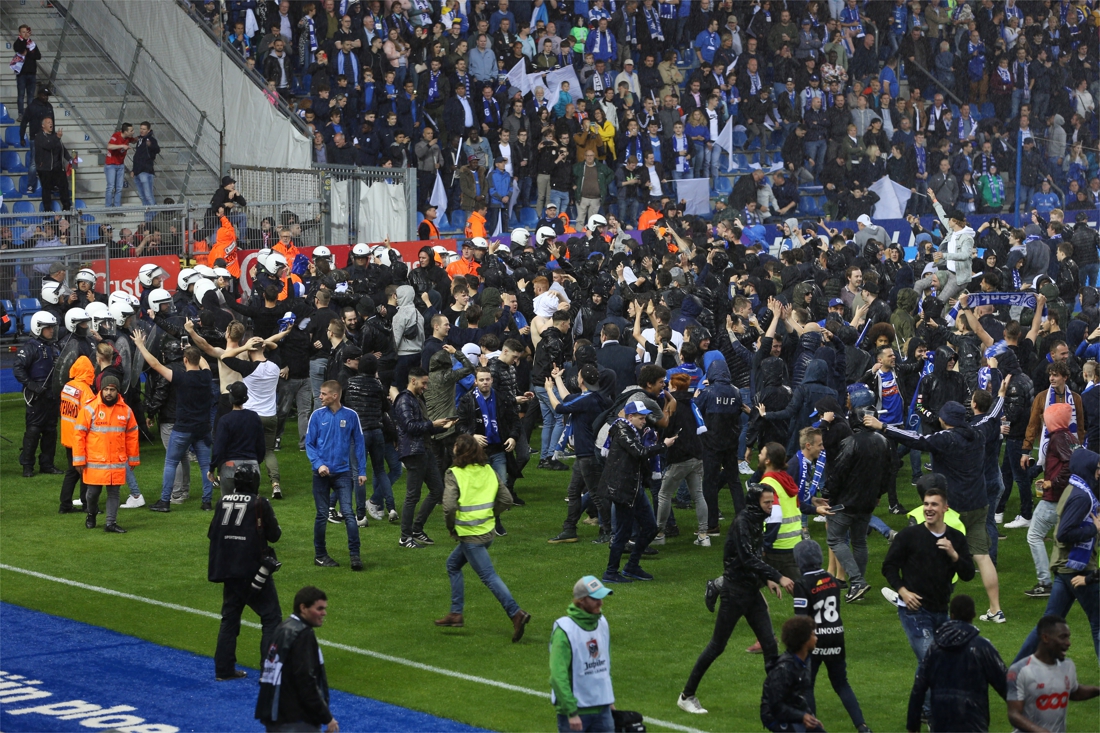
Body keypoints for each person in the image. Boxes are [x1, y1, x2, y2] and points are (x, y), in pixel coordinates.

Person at [678, 482, 795, 715]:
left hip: (751, 591)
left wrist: (767, 579)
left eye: (771, 502)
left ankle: (776, 698)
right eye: (767, 502)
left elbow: (754, 556)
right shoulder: (743, 522)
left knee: (770, 644)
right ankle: (686, 695)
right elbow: (747, 558)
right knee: (717, 646)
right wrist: (777, 576)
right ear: (755, 503)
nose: (771, 507)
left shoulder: (755, 520)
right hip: (734, 592)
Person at [881, 485, 975, 714]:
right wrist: (902, 591)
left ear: (945, 508)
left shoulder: (956, 538)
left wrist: (954, 554)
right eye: (926, 504)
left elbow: (968, 574)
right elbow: (889, 567)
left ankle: (924, 706)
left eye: (934, 504)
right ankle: (929, 710)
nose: (928, 508)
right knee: (931, 657)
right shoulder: (909, 536)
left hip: (941, 610)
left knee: (934, 660)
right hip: (914, 610)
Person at [434, 434, 530, 641]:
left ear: (459, 451)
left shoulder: (454, 473)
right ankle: (456, 613)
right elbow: (506, 499)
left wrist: (452, 528)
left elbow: (449, 507)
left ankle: (516, 613)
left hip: (470, 535)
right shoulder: (489, 470)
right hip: (487, 532)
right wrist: (491, 514)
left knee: (489, 577)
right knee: (452, 564)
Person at [1014, 449, 1100, 663]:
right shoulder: (1082, 497)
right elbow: (1064, 533)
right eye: (1097, 468)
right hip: (1078, 567)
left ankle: (1015, 668)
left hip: (1064, 568)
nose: (1099, 472)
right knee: (1098, 623)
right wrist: (1094, 529)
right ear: (1087, 468)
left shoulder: (1075, 489)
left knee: (1048, 624)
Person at [208, 462, 282, 681]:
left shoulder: (222, 501)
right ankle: (268, 672)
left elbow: (213, 534)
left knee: (229, 619)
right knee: (271, 618)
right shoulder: (260, 503)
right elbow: (275, 535)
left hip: (228, 570)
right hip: (253, 570)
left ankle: (224, 670)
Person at [135, 330, 216, 512]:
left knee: (171, 462)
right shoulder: (206, 376)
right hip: (202, 428)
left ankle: (165, 501)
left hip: (183, 427)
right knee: (205, 465)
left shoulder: (180, 377)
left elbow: (155, 364)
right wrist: (190, 348)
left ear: (184, 360)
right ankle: (207, 501)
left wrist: (140, 345)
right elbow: (203, 362)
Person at [791, 540, 869, 732]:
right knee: (841, 683)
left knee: (807, 686)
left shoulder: (802, 584)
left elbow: (801, 619)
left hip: (813, 640)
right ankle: (862, 726)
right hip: (836, 635)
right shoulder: (832, 579)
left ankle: (812, 728)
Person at [826, 395, 895, 603]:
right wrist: (877, 495)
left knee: (835, 538)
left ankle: (857, 582)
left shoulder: (850, 442)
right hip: (868, 501)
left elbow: (838, 473)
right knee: (859, 541)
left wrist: (829, 495)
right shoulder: (884, 442)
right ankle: (858, 584)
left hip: (847, 501)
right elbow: (890, 472)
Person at [906, 594, 1008, 733]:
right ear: (973, 615)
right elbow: (1005, 684)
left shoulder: (935, 648)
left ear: (951, 615)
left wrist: (913, 725)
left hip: (941, 724)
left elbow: (919, 687)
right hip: (974, 724)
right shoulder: (982, 647)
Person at [602, 400, 676, 584]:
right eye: (641, 418)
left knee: (650, 527)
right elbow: (640, 452)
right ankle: (611, 572)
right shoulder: (622, 430)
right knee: (623, 533)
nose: (645, 421)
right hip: (624, 490)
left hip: (634, 488)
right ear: (630, 417)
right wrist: (663, 446)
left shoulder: (630, 430)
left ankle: (632, 565)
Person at [256, 586, 338, 733]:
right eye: (319, 608)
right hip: (295, 718)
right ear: (303, 608)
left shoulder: (282, 628)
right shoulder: (302, 634)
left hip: (274, 714)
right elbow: (306, 681)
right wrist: (326, 717)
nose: (324, 613)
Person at [305, 380, 367, 571]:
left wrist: (362, 471)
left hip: (342, 473)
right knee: (322, 515)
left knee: (349, 513)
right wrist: (318, 464)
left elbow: (359, 442)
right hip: (321, 473)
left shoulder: (350, 416)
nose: (320, 397)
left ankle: (355, 556)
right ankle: (320, 555)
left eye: (323, 394)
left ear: (334, 396)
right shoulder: (316, 416)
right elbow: (309, 443)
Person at [396, 366, 457, 548]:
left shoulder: (416, 398)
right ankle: (405, 537)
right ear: (413, 381)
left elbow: (421, 425)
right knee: (412, 496)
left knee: (437, 490)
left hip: (424, 449)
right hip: (414, 452)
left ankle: (416, 529)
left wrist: (441, 427)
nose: (426, 387)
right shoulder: (404, 400)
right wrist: (433, 424)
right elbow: (410, 426)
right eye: (424, 383)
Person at [1008, 615, 1100, 733]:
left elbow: (1075, 693)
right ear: (1046, 638)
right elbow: (1014, 714)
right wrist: (1040, 731)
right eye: (1063, 637)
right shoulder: (1020, 670)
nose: (1068, 643)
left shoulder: (1067, 666)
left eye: (1068, 637)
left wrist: (1098, 690)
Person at [72, 375, 139, 534]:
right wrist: (79, 461)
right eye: (106, 389)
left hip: (116, 461)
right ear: (101, 390)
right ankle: (91, 512)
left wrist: (133, 459)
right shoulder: (90, 409)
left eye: (112, 390)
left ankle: (111, 523)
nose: (109, 393)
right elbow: (79, 435)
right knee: (92, 493)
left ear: (118, 391)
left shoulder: (126, 411)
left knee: (114, 493)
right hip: (95, 462)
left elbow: (132, 435)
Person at [550, 575, 616, 733]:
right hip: (576, 712)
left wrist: (609, 699)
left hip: (603, 709)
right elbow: (558, 676)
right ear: (581, 600)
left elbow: (605, 664)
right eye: (595, 599)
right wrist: (571, 712)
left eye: (602, 597)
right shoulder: (564, 630)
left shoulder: (602, 623)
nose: (600, 602)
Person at [14, 311, 61, 478]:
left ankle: (47, 464)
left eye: (52, 328)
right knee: (33, 431)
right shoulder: (29, 348)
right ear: (38, 328)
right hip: (36, 396)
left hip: (52, 395)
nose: (51, 331)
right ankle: (27, 465)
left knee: (51, 430)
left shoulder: (54, 347)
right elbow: (18, 369)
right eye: (48, 328)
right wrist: (32, 386)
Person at [760, 615, 824, 733]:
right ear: (804, 640)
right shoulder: (784, 669)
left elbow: (797, 695)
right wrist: (802, 716)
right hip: (775, 716)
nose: (816, 638)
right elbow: (776, 706)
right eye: (813, 635)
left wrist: (810, 715)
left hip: (792, 710)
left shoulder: (806, 661)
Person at [209, 381, 267, 495]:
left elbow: (218, 447)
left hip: (230, 467)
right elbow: (261, 445)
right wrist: (256, 461)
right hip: (252, 466)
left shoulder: (225, 420)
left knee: (228, 505)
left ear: (231, 398)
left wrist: (212, 468)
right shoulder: (254, 417)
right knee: (251, 506)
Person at [58, 354, 95, 513]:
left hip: (68, 436)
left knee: (72, 472)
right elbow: (90, 417)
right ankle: (87, 504)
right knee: (84, 472)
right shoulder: (86, 392)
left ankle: (65, 505)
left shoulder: (68, 386)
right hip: (80, 439)